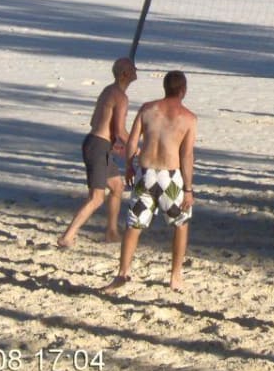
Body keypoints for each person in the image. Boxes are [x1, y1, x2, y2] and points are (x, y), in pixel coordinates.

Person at [102, 70, 197, 292]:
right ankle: (175, 275)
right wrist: (189, 189)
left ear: (164, 87)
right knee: (181, 225)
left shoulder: (147, 109)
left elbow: (133, 141)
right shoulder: (188, 118)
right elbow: (187, 155)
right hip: (170, 176)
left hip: (145, 173)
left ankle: (123, 273)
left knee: (134, 224)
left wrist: (128, 165)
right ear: (183, 90)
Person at [58, 57, 136, 248]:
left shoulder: (108, 91)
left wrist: (113, 144)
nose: (136, 70)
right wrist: (136, 147)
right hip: (98, 146)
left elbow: (96, 121)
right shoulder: (120, 96)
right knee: (96, 198)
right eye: (132, 68)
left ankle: (111, 231)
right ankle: (67, 236)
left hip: (97, 143)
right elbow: (120, 130)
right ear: (125, 74)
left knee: (117, 186)